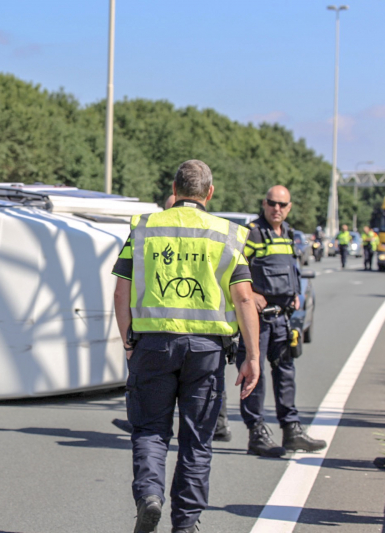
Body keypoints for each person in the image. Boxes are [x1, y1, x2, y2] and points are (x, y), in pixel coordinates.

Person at [112, 160, 260, 533]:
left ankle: (150, 496)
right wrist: (253, 356)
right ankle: (186, 523)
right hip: (207, 353)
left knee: (150, 430)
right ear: (209, 193)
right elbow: (244, 298)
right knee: (197, 440)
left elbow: (121, 290)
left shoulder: (145, 228)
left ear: (174, 190)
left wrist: (128, 340)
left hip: (154, 345)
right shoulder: (225, 234)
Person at [235, 185, 327, 457]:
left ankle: (291, 430)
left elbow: (290, 268)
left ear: (289, 207)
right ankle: (257, 433)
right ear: (264, 203)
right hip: (258, 319)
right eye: (273, 203)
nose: (277, 209)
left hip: (282, 318)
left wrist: (295, 293)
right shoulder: (252, 232)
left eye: (283, 205)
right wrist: (250, 294)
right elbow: (232, 269)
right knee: (255, 374)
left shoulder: (287, 233)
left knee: (285, 373)